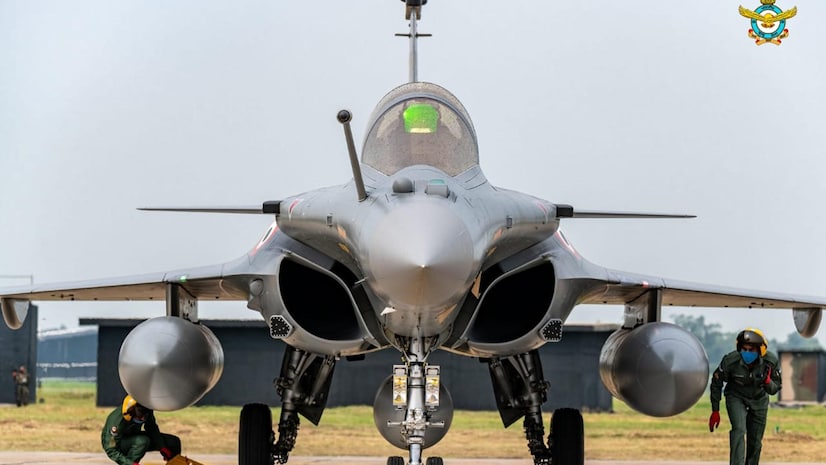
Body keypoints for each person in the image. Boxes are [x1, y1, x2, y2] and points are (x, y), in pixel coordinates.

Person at [708, 328, 781, 465]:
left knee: (755, 440)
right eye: (744, 349)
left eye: (751, 350)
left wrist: (767, 382)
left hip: (759, 399)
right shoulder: (730, 361)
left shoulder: (770, 362)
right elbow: (716, 382)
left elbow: (775, 389)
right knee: (739, 430)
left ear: (760, 350)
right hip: (736, 396)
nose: (747, 353)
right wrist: (715, 410)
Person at [101, 395, 182, 465]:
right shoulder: (117, 422)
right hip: (119, 443)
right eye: (140, 416)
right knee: (142, 441)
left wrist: (162, 446)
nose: (143, 418)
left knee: (173, 441)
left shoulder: (145, 409)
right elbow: (111, 449)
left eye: (144, 416)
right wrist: (131, 464)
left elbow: (151, 428)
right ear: (132, 412)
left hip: (134, 436)